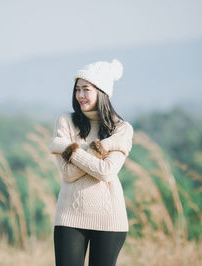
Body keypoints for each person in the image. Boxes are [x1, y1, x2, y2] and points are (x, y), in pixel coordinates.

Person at [49, 59, 134, 266]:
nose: (79, 95)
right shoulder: (65, 121)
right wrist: (102, 149)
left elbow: (106, 171)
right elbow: (68, 174)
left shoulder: (121, 129)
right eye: (77, 89)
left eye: (85, 89)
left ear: (102, 92)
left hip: (110, 220)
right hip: (69, 217)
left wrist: (67, 148)